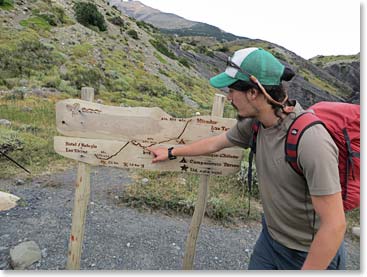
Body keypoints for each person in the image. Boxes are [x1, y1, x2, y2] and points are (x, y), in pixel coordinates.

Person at [147, 47, 346, 270]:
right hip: (270, 241)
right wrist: (172, 151)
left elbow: (335, 225)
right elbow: (215, 143)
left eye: (232, 90)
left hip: (310, 253)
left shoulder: (311, 141)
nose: (228, 97)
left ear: (253, 92)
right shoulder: (255, 124)